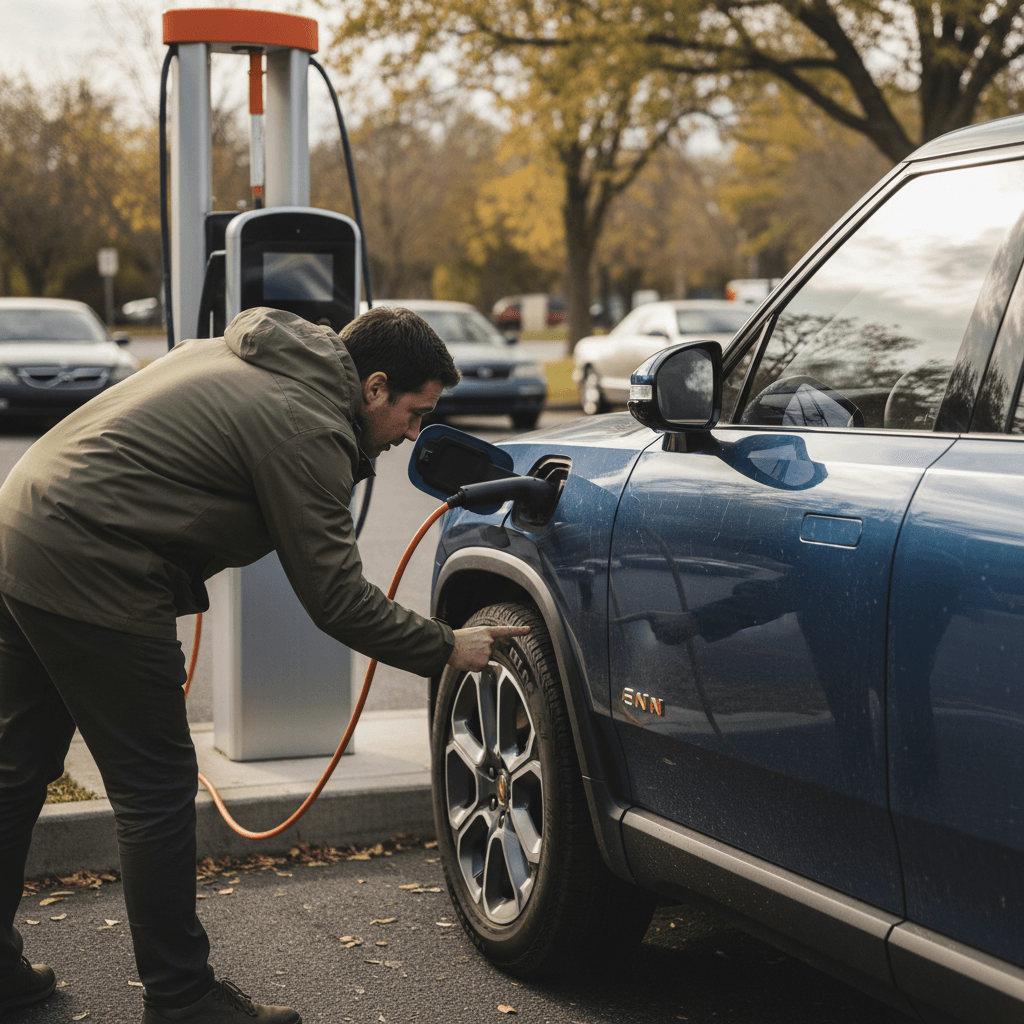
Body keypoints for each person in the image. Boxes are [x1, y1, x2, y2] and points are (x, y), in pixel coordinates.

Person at [0, 305, 528, 1023]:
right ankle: (183, 999)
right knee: (154, 788)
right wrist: (446, 646)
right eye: (414, 413)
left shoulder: (257, 357)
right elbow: (336, 599)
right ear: (373, 387)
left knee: (18, 764)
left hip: (23, 527)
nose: (413, 434)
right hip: (95, 563)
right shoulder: (308, 424)